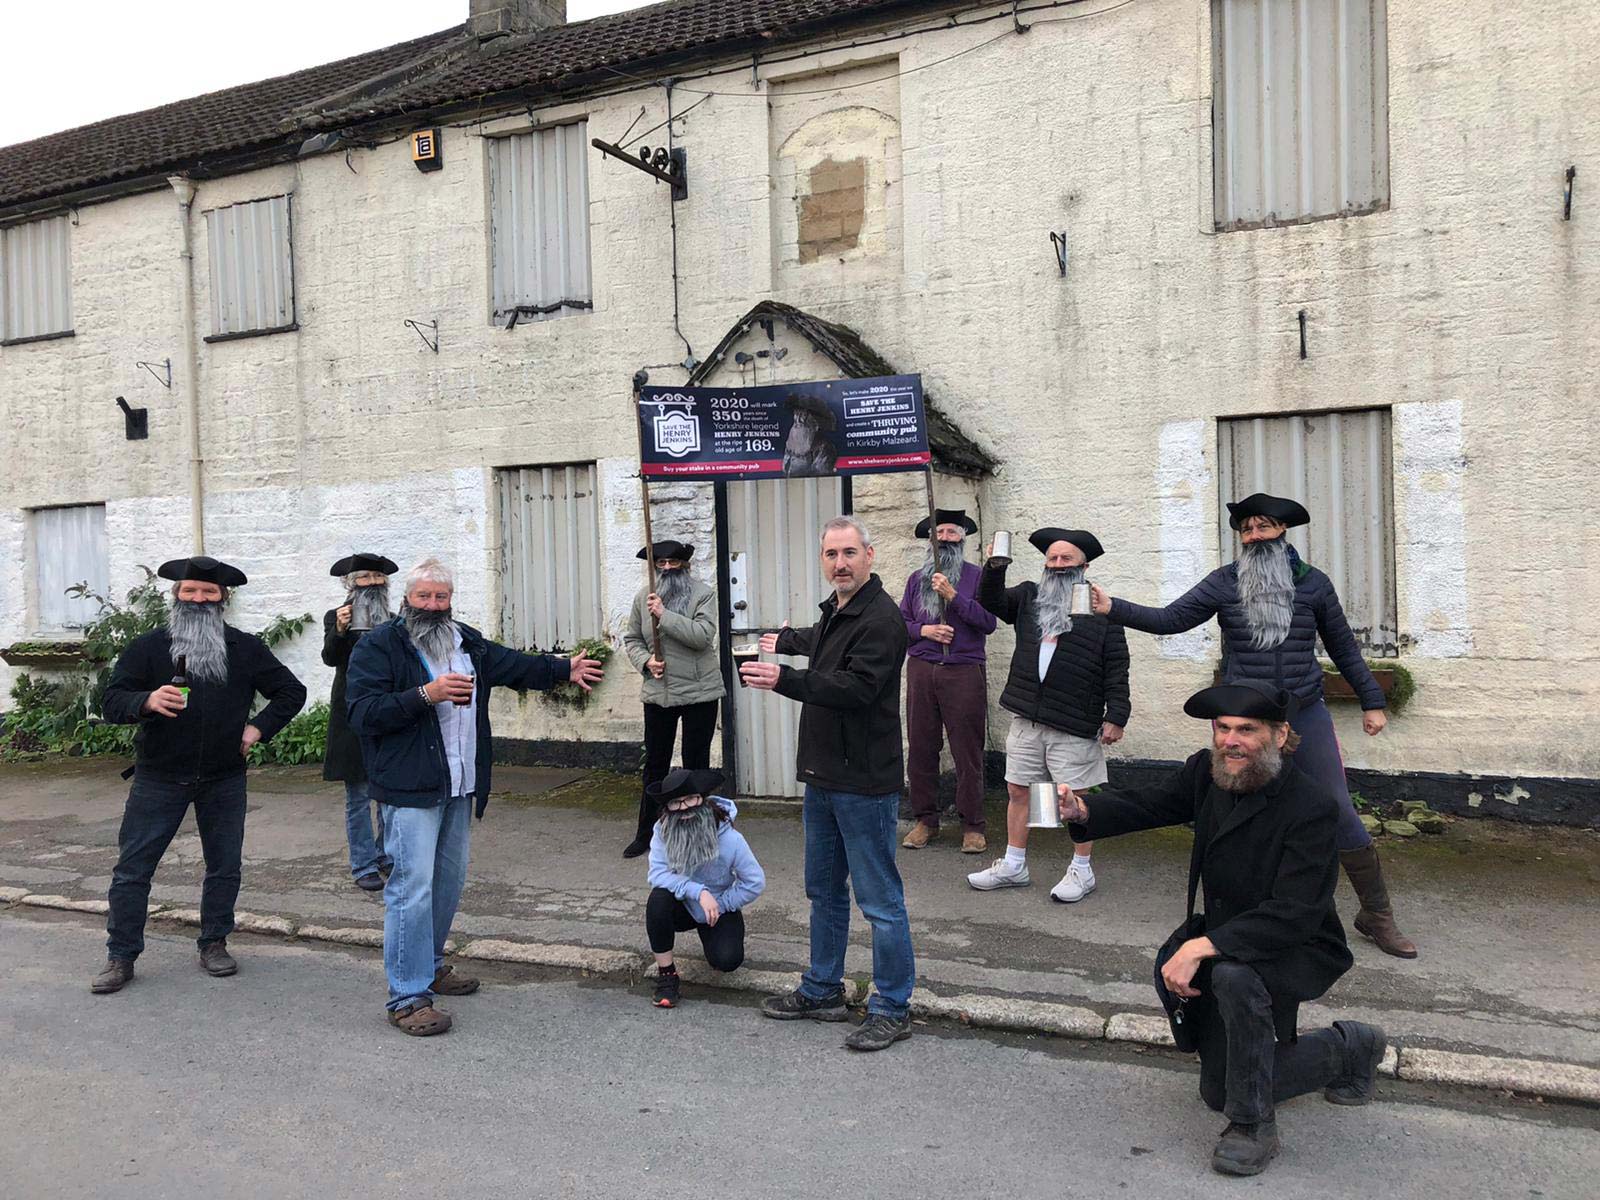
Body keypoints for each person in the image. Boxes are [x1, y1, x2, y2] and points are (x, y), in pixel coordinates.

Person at [1057, 681, 1386, 1177]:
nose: (1230, 740)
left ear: (1280, 735)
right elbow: (1152, 803)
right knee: (1217, 1091)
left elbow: (1295, 912)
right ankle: (1351, 1048)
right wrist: (1085, 811)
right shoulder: (1208, 775)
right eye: (1223, 728)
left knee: (1235, 980)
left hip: (1295, 945)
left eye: (1247, 730)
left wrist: (1203, 946)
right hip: (1228, 940)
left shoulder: (1312, 807)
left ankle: (1254, 1126)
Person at [1091, 492, 1417, 958]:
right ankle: (1243, 913)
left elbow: (1343, 647)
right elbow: (1171, 619)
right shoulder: (1225, 583)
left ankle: (1376, 914)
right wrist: (1114, 607)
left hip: (1303, 710)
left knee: (1338, 809)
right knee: (1238, 813)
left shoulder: (1314, 584)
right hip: (1245, 716)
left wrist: (1372, 701)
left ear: (1282, 531)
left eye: (1264, 526)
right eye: (1247, 529)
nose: (1255, 535)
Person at [345, 557, 604, 1037]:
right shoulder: (380, 646)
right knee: (411, 889)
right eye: (424, 596)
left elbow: (511, 664)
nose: (433, 605)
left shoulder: (464, 639)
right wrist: (427, 694)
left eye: (441, 597)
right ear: (406, 599)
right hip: (409, 790)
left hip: (459, 786)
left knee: (447, 884)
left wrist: (562, 668)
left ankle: (431, 965)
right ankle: (406, 995)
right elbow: (363, 714)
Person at [91, 556, 307, 994]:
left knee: (224, 866)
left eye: (208, 592)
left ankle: (214, 942)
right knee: (133, 869)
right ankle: (120, 955)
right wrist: (147, 701)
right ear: (175, 596)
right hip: (159, 776)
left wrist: (258, 727)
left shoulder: (244, 648)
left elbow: (291, 692)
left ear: (223, 599)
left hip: (223, 777)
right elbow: (111, 701)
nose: (198, 598)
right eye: (190, 591)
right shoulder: (149, 647)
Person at [741, 515, 915, 1053]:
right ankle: (823, 990)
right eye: (831, 555)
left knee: (880, 901)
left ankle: (892, 1006)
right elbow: (822, 641)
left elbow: (857, 686)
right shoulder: (839, 611)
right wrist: (787, 640)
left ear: (870, 555)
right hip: (823, 777)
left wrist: (785, 677)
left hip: (864, 784)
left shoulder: (883, 619)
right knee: (823, 892)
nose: (839, 564)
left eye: (849, 553)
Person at [967, 528, 1129, 903]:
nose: (1057, 565)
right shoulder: (1028, 597)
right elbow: (988, 599)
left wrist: (1116, 714)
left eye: (1066, 559)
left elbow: (1117, 666)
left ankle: (1082, 870)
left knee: (1077, 798)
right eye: (1052, 559)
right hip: (1027, 717)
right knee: (1018, 790)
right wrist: (994, 566)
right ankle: (1013, 864)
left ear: (1083, 566)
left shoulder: (1103, 610)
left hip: (1074, 720)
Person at [898, 509, 997, 853]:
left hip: (964, 670)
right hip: (923, 669)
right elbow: (900, 626)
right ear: (930, 541)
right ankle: (926, 820)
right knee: (922, 747)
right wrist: (924, 630)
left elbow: (988, 622)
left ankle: (973, 824)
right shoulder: (915, 580)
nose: (945, 538)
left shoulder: (977, 577)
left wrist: (954, 596)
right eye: (939, 532)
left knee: (967, 751)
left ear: (962, 540)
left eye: (952, 533)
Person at [620, 540, 724, 860]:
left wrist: (664, 615)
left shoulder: (702, 594)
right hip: (659, 692)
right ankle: (647, 833)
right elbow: (632, 639)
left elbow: (703, 636)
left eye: (673, 563)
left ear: (685, 565)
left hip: (699, 693)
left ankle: (698, 836)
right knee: (655, 764)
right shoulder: (643, 597)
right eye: (660, 563)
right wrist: (646, 663)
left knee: (695, 764)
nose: (666, 569)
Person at [644, 767, 766, 1008]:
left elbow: (755, 882)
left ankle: (712, 936)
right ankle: (667, 975)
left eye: (690, 798)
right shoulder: (662, 831)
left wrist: (721, 904)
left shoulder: (730, 838)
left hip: (718, 907)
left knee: (727, 961)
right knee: (658, 900)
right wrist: (698, 892)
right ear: (666, 808)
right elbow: (657, 874)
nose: (685, 808)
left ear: (703, 799)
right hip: (682, 904)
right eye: (676, 803)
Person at [321, 552, 398, 891]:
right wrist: (339, 631)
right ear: (350, 584)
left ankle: (386, 854)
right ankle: (363, 864)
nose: (373, 583)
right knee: (358, 795)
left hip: (389, 713)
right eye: (365, 577)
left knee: (390, 793)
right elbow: (329, 658)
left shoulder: (396, 620)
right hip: (350, 714)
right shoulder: (337, 617)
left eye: (378, 577)